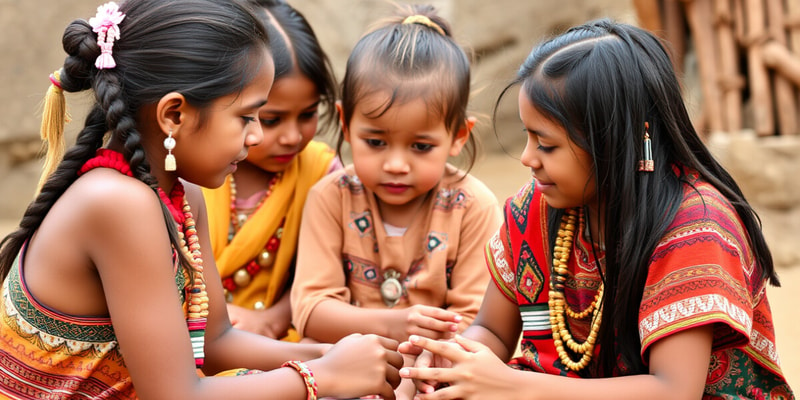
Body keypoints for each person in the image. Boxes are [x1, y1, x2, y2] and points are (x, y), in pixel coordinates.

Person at [0, 1, 403, 399]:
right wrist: (320, 376)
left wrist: (332, 357)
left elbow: (215, 343)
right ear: (173, 115)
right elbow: (176, 395)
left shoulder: (181, 194)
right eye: (247, 117)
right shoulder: (118, 203)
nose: (256, 137)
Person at [398, 19, 796, 400]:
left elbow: (673, 391)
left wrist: (511, 387)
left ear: (614, 143)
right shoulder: (533, 207)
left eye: (546, 144)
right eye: (528, 136)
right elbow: (493, 332)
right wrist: (452, 364)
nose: (527, 158)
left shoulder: (694, 228)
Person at [290, 4, 503, 399]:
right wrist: (395, 325)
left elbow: (477, 323)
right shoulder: (330, 197)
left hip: (438, 376)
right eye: (375, 142)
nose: (396, 164)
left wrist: (422, 371)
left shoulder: (474, 206)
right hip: (347, 372)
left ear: (458, 135)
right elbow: (311, 312)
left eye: (421, 146)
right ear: (345, 123)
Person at [202, 0, 341, 342]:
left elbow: (335, 279)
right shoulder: (193, 170)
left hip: (285, 343)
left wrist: (273, 320)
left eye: (308, 114)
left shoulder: (324, 173)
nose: (293, 137)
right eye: (272, 120)